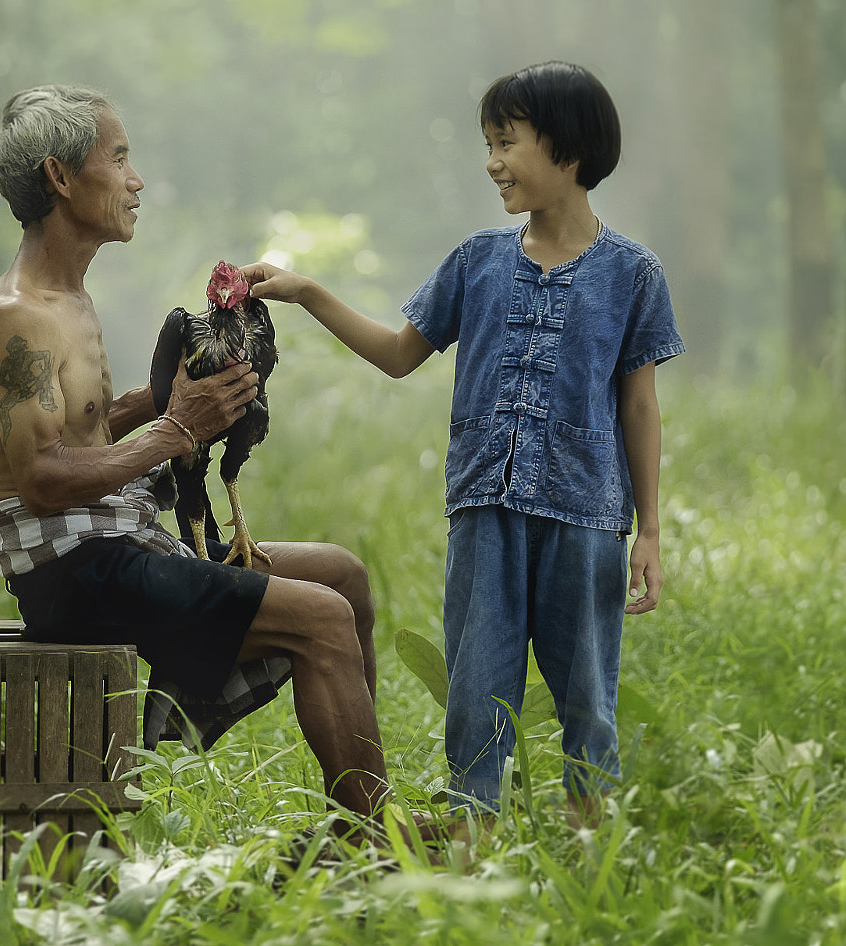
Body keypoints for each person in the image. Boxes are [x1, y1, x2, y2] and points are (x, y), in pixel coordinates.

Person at [243, 62, 683, 827]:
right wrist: (308, 291)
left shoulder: (632, 274)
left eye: (506, 142)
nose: (492, 161)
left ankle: (590, 850)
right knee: (477, 695)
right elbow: (397, 353)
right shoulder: (477, 262)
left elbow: (639, 407)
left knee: (588, 693)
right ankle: (472, 853)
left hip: (585, 516)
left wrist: (649, 528)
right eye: (488, 143)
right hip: (484, 508)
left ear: (568, 151)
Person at [0, 83, 398, 827]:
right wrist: (175, 431)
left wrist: (164, 401)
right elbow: (39, 479)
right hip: (75, 572)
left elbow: (77, 430)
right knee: (321, 618)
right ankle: (379, 838)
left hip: (119, 541)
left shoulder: (68, 297)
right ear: (60, 178)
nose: (136, 181)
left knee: (342, 577)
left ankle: (347, 825)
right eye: (120, 159)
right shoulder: (15, 315)